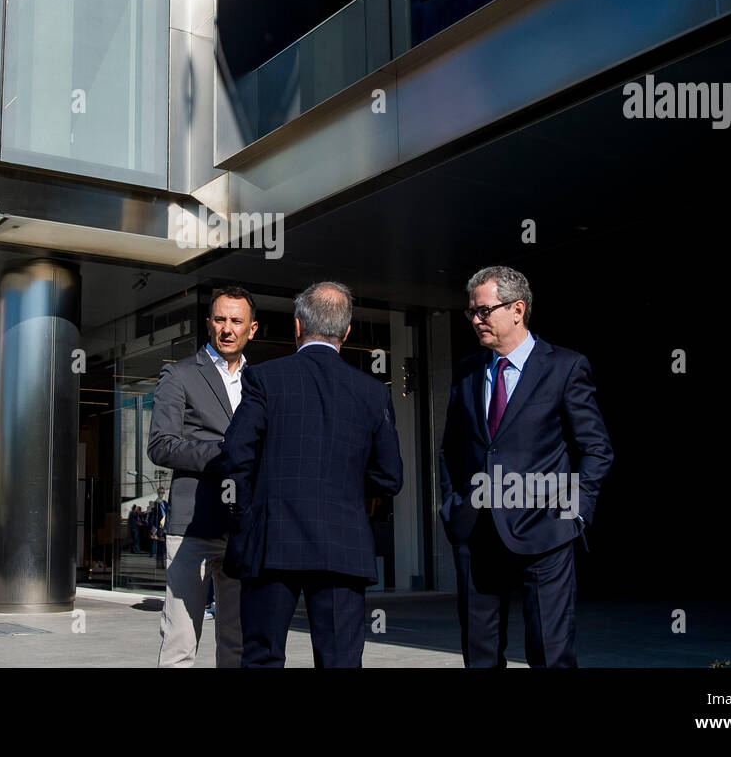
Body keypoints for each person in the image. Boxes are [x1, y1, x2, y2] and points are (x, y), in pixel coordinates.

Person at [210, 281, 403, 668]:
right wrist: (346, 494)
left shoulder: (265, 378)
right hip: (342, 544)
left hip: (272, 541)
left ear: (298, 326)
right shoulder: (372, 392)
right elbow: (389, 477)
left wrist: (245, 515)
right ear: (346, 333)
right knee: (339, 661)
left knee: (262, 656)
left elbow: (234, 457)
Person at [437, 266, 613, 668]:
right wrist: (453, 506)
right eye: (472, 312)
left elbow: (596, 449)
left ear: (517, 309)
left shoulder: (565, 367)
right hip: (478, 531)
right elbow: (451, 449)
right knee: (479, 654)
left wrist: (575, 514)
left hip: (546, 530)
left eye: (484, 310)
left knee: (549, 653)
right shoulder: (466, 371)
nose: (476, 319)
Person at [147, 286, 260, 668]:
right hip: (191, 526)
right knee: (180, 642)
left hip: (241, 526)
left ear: (252, 329)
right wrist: (222, 453)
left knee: (237, 640)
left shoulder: (261, 381)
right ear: (209, 323)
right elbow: (160, 444)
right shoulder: (178, 375)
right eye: (220, 319)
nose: (227, 329)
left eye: (236, 321)